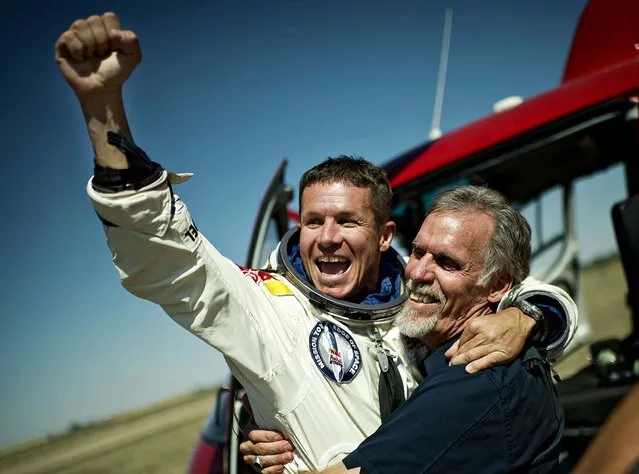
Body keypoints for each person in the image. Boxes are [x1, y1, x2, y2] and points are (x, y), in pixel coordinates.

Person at [54, 13, 577, 473]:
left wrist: (530, 317)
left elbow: (516, 286)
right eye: (312, 221)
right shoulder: (266, 311)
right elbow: (167, 257)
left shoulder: (417, 300)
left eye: (347, 222)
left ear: (385, 235)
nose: (326, 239)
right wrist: (104, 108)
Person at [247, 186, 565, 473]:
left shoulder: (475, 378)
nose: (417, 272)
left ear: (497, 285)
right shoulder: (412, 323)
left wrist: (532, 315)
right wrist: (271, 424)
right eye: (417, 251)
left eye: (446, 262)